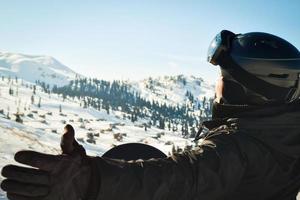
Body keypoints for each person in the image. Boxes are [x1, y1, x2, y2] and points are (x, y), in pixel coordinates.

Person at [1, 30, 300, 200]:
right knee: (139, 152)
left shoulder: (238, 145)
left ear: (243, 90)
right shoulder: (284, 129)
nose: (217, 84)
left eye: (224, 77)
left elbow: (182, 176)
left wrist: (90, 179)